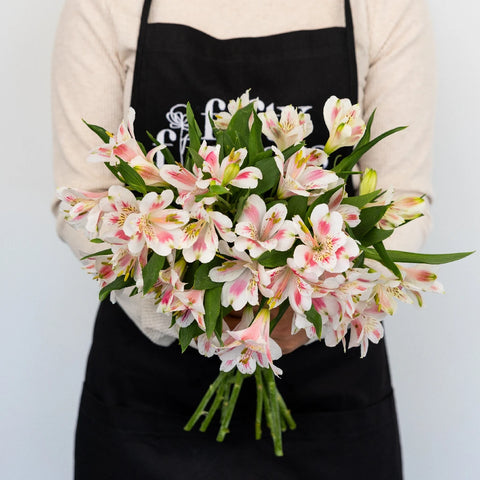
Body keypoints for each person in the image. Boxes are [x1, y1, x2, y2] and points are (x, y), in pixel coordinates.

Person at [52, 0, 434, 478]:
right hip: (148, 396)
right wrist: (185, 310)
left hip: (329, 396)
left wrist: (307, 310)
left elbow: (404, 201)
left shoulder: (384, 7)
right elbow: (80, 201)